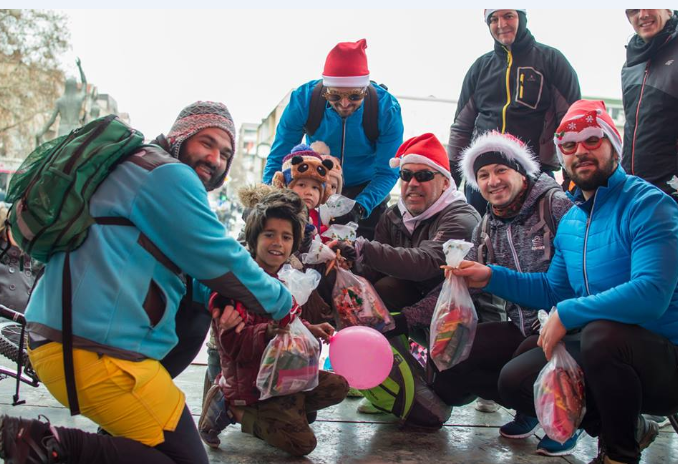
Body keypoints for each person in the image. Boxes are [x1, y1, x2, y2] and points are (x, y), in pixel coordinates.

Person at [0, 101, 294, 464]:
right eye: (207, 142)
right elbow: (218, 257)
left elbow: (193, 273)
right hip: (92, 350)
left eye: (225, 153)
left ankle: (73, 442)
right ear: (180, 136)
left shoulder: (140, 170)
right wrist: (283, 301)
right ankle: (41, 441)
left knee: (147, 450)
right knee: (184, 460)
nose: (215, 158)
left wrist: (223, 300)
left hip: (77, 341)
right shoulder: (164, 174)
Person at [452, 100, 678, 464]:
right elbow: (552, 290)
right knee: (515, 378)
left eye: (592, 139)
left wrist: (569, 313)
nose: (580, 152)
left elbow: (651, 294)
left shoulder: (649, 205)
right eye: (569, 146)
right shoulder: (574, 221)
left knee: (602, 335)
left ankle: (619, 454)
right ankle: (624, 426)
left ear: (613, 145)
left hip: (662, 358)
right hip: (603, 350)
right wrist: (489, 276)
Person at [404, 131, 575, 456]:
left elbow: (572, 275)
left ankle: (565, 421)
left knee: (515, 375)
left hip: (567, 324)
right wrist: (411, 319)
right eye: (483, 175)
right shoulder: (486, 226)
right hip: (521, 326)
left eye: (500, 171)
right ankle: (531, 407)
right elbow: (460, 281)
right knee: (452, 370)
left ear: (521, 172)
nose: (492, 181)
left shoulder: (554, 205)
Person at [199, 190, 349, 455]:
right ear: (254, 239)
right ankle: (234, 409)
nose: (277, 242)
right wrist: (268, 332)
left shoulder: (282, 277)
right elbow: (231, 346)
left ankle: (285, 412)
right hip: (251, 384)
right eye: (269, 234)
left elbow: (288, 322)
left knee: (339, 387)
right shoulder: (236, 285)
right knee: (303, 444)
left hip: (280, 375)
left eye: (286, 236)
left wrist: (310, 329)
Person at [262, 39, 404, 240]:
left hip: (366, 187)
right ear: (324, 89)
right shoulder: (303, 100)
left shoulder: (386, 108)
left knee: (364, 257)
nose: (345, 104)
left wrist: (361, 207)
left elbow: (388, 172)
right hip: (315, 183)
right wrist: (266, 198)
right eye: (335, 96)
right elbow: (278, 158)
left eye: (354, 96)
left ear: (365, 89)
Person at [448, 9, 581, 215]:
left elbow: (570, 123)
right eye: (493, 19)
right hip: (484, 178)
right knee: (480, 240)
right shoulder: (480, 67)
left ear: (522, 18)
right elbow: (462, 127)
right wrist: (450, 185)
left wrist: (573, 178)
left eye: (508, 16)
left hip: (535, 175)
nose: (501, 24)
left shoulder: (552, 60)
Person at [622, 9, 678, 198]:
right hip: (634, 186)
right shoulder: (630, 64)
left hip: (672, 187)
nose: (643, 14)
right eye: (634, 10)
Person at [36, 58, 89, 143]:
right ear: (75, 87)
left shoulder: (60, 101)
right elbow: (84, 84)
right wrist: (80, 67)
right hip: (75, 130)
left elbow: (52, 120)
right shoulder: (78, 99)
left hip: (63, 131)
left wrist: (42, 131)